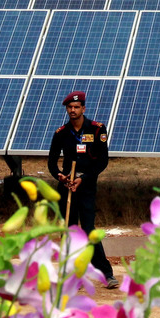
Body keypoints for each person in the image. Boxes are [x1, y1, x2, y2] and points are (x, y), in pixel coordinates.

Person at [47, 91, 117, 289]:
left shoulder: (97, 129)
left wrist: (83, 179)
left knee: (88, 231)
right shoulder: (61, 133)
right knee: (68, 231)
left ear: (83, 109)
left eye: (76, 107)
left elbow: (102, 161)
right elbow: (52, 162)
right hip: (67, 188)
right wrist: (60, 176)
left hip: (86, 187)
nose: (73, 110)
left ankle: (106, 274)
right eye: (70, 107)